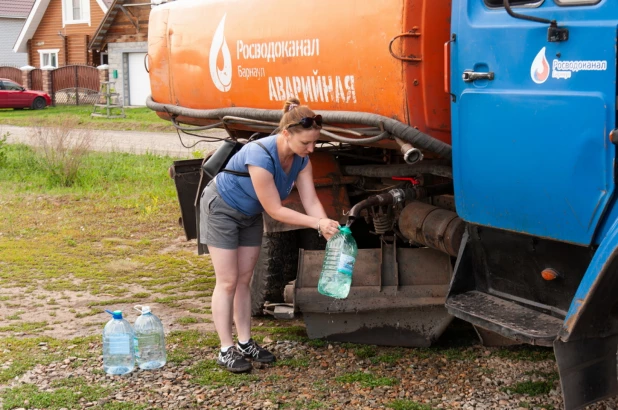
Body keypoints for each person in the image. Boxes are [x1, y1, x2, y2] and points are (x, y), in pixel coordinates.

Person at [199, 97, 341, 373]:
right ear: (286, 133)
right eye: (306, 143)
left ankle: (245, 342)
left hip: (250, 213)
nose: (311, 149)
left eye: (315, 143)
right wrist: (316, 224)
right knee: (227, 281)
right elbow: (275, 210)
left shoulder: (301, 161)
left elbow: (311, 200)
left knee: (244, 280)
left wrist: (325, 223)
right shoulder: (260, 155)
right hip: (222, 209)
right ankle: (225, 349)